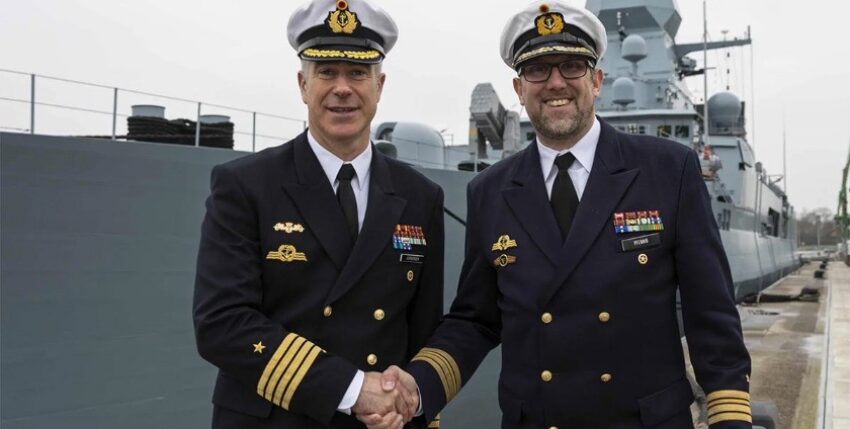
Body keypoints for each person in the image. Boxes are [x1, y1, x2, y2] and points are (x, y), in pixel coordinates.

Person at [372, 1, 753, 428]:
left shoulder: (669, 171)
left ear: (597, 80)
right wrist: (416, 388)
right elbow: (475, 321)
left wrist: (729, 417)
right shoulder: (490, 191)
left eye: (571, 66)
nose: (556, 83)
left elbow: (711, 312)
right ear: (519, 89)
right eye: (537, 70)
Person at [192, 1, 444, 428]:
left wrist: (409, 405)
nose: (342, 88)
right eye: (326, 71)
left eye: (357, 73)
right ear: (302, 84)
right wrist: (351, 389)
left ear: (379, 85)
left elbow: (421, 331)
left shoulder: (420, 196)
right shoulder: (245, 185)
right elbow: (222, 323)